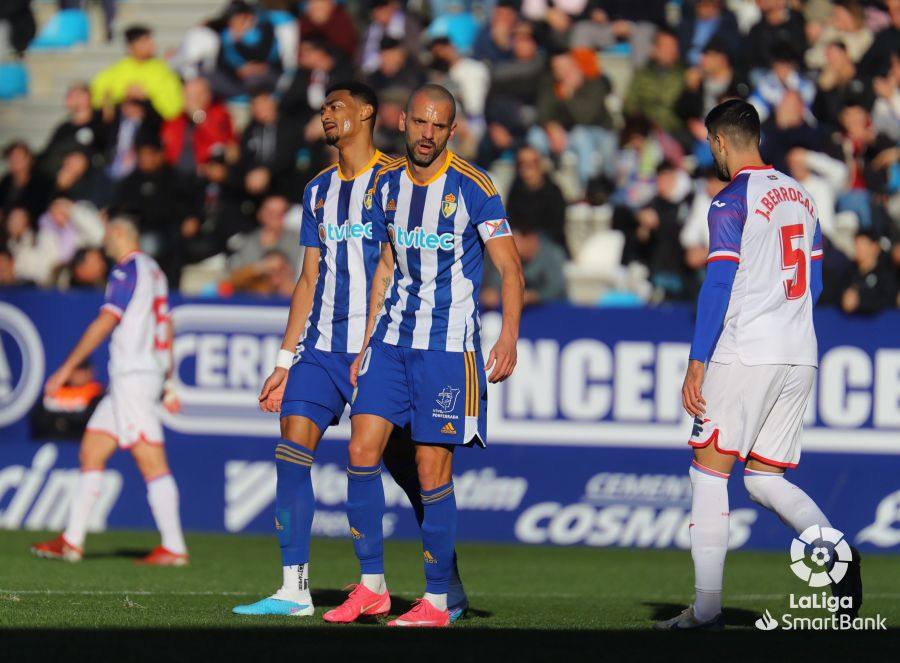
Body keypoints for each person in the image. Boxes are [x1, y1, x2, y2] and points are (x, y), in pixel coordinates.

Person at [231, 82, 471, 621]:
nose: (326, 114)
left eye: (335, 105)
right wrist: (283, 359)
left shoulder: (396, 179)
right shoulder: (316, 191)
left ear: (366, 112)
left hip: (382, 345)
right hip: (320, 347)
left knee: (410, 470)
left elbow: (402, 264)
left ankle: (444, 579)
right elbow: (308, 277)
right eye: (323, 108)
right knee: (291, 447)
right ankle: (295, 587)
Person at [656, 99, 861, 630]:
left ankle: (705, 608)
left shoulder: (730, 200)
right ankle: (835, 552)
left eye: (711, 145)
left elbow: (719, 282)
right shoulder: (803, 197)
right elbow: (814, 285)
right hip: (800, 351)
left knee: (708, 470)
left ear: (720, 142)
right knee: (764, 479)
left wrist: (697, 361)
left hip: (748, 349)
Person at [324, 84, 524, 628]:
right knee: (362, 450)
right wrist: (366, 344)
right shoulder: (386, 185)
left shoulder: (474, 186)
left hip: (447, 347)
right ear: (402, 121)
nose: (427, 134)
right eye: (419, 123)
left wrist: (507, 337)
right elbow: (385, 265)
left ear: (451, 131)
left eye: (438, 126)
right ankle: (371, 587)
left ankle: (440, 598)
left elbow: (510, 268)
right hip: (390, 340)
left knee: (431, 466)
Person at [31, 217, 188, 566]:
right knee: (92, 451)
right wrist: (170, 380)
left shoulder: (127, 269)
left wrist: (66, 369)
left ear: (119, 234)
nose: (104, 242)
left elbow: (107, 320)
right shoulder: (154, 271)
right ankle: (72, 541)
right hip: (137, 377)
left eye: (107, 235)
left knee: (150, 458)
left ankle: (174, 546)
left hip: (133, 375)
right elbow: (168, 325)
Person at [90, 25, 184, 121]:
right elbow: (98, 96)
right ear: (131, 47)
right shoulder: (118, 69)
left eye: (150, 41)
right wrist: (123, 95)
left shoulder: (162, 70)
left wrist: (147, 96)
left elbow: (173, 107)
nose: (151, 45)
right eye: (144, 42)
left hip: (153, 122)